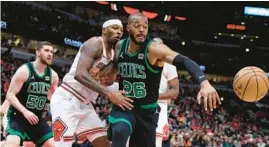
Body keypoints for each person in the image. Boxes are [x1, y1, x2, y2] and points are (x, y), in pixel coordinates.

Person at [100, 12, 221, 147]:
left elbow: (184, 60)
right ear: (128, 29)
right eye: (137, 26)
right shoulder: (120, 46)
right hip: (125, 104)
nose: (141, 29)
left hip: (147, 111)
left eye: (145, 26)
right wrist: (101, 73)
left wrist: (204, 83)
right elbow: (116, 65)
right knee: (120, 131)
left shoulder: (153, 49)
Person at [50, 19, 131, 147]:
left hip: (86, 104)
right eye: (114, 28)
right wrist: (110, 94)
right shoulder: (95, 43)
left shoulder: (114, 54)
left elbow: (108, 81)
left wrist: (111, 82)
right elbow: (80, 74)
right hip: (67, 99)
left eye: (121, 30)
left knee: (104, 144)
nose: (118, 32)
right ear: (104, 30)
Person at [4, 41, 59, 147]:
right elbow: (10, 95)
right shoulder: (24, 71)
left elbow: (53, 99)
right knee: (12, 144)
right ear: (38, 52)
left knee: (53, 145)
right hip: (18, 116)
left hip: (36, 118)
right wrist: (25, 112)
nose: (50, 54)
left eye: (52, 52)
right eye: (46, 50)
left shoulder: (53, 76)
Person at [153, 37, 179, 147]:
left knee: (155, 143)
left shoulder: (169, 65)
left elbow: (174, 92)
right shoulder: (141, 60)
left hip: (158, 106)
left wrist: (154, 97)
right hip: (139, 104)